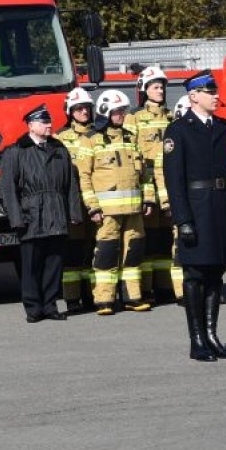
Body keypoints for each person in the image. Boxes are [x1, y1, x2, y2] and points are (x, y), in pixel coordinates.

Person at [162, 72, 226, 362]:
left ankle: (212, 335)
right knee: (195, 274)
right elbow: (174, 180)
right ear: (193, 96)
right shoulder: (178, 131)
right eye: (209, 91)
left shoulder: (223, 127)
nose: (215, 95)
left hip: (221, 208)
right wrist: (182, 219)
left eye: (215, 90)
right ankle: (197, 340)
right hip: (196, 211)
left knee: (216, 274)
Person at [0, 103, 84, 322]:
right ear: (31, 125)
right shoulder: (16, 151)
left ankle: (50, 305)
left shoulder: (59, 149)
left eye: (49, 122)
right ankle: (33, 307)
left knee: (54, 263)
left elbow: (70, 184)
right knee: (31, 265)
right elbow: (8, 188)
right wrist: (16, 218)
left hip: (56, 213)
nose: (49, 125)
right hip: (31, 216)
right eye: (44, 122)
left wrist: (74, 213)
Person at [81, 90, 153, 314]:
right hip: (107, 212)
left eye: (123, 111)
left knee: (133, 252)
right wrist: (92, 206)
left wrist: (148, 199)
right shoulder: (90, 140)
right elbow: (84, 178)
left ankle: (133, 297)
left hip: (133, 210)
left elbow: (145, 175)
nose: (122, 115)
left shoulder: (131, 138)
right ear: (105, 112)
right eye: (117, 111)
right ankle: (105, 300)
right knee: (106, 253)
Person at [128, 66, 178, 305]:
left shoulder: (171, 116)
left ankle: (165, 287)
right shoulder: (134, 118)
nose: (160, 91)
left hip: (169, 183)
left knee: (166, 238)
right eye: (156, 87)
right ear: (144, 90)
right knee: (147, 240)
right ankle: (146, 290)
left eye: (162, 87)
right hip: (147, 184)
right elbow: (130, 153)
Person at [56, 87, 100, 310]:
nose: (84, 112)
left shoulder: (99, 135)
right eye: (79, 108)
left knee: (94, 249)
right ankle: (72, 299)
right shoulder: (60, 139)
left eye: (86, 108)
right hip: (72, 203)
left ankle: (93, 296)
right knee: (73, 252)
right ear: (70, 111)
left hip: (96, 203)